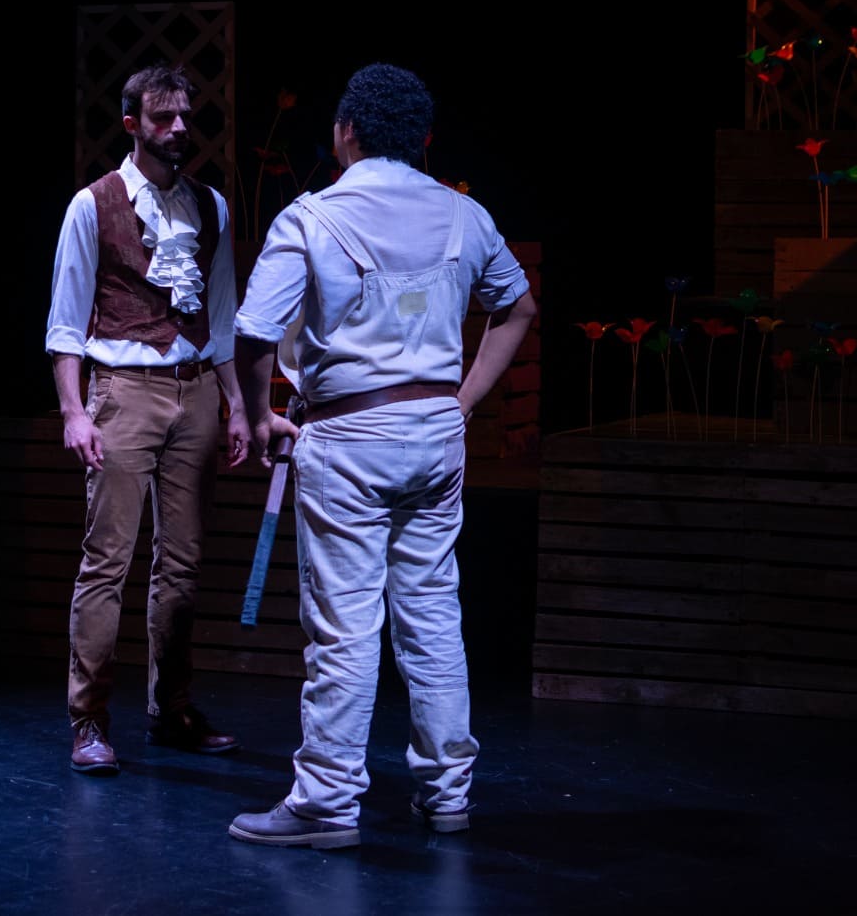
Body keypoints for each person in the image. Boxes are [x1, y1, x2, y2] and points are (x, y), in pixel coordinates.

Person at [227, 63, 538, 848]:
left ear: (344, 134)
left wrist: (260, 417)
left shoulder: (312, 217)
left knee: (344, 625)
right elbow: (518, 307)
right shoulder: (465, 216)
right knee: (432, 615)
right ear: (423, 139)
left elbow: (254, 331)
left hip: (350, 438)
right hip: (435, 436)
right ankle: (447, 794)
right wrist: (463, 401)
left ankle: (327, 802)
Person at [46, 62, 250, 774]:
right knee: (107, 561)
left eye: (185, 116)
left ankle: (172, 708)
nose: (179, 129)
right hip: (124, 390)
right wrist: (74, 411)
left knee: (183, 564)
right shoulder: (92, 205)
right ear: (133, 124)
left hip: (196, 389)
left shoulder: (211, 207)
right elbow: (66, 320)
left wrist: (237, 404)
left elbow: (221, 314)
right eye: (164, 118)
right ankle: (89, 719)